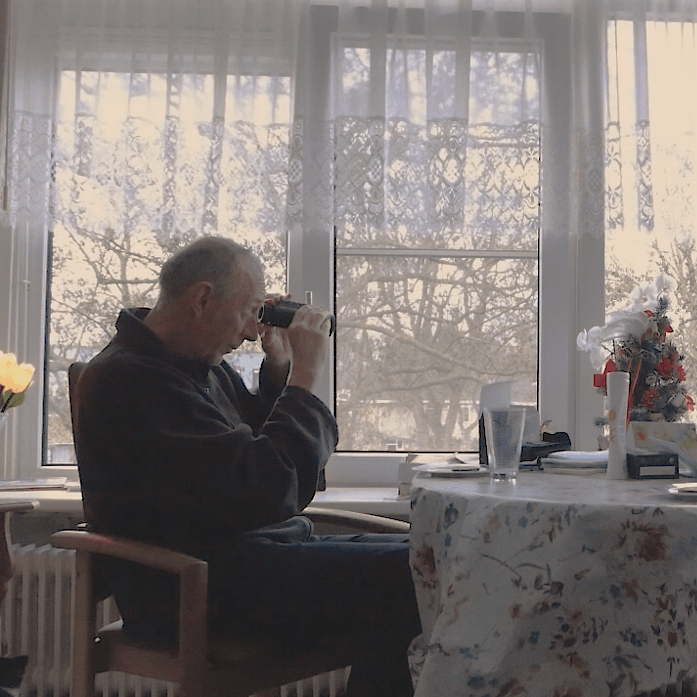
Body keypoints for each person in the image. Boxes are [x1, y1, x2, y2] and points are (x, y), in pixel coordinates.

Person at [73, 236, 421, 697]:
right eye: (247, 312)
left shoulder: (194, 366)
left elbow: (254, 454)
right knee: (416, 576)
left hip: (246, 562)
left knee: (428, 557)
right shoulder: (131, 378)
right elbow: (270, 486)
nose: (252, 332)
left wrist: (279, 368)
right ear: (202, 299)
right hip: (193, 589)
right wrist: (305, 376)